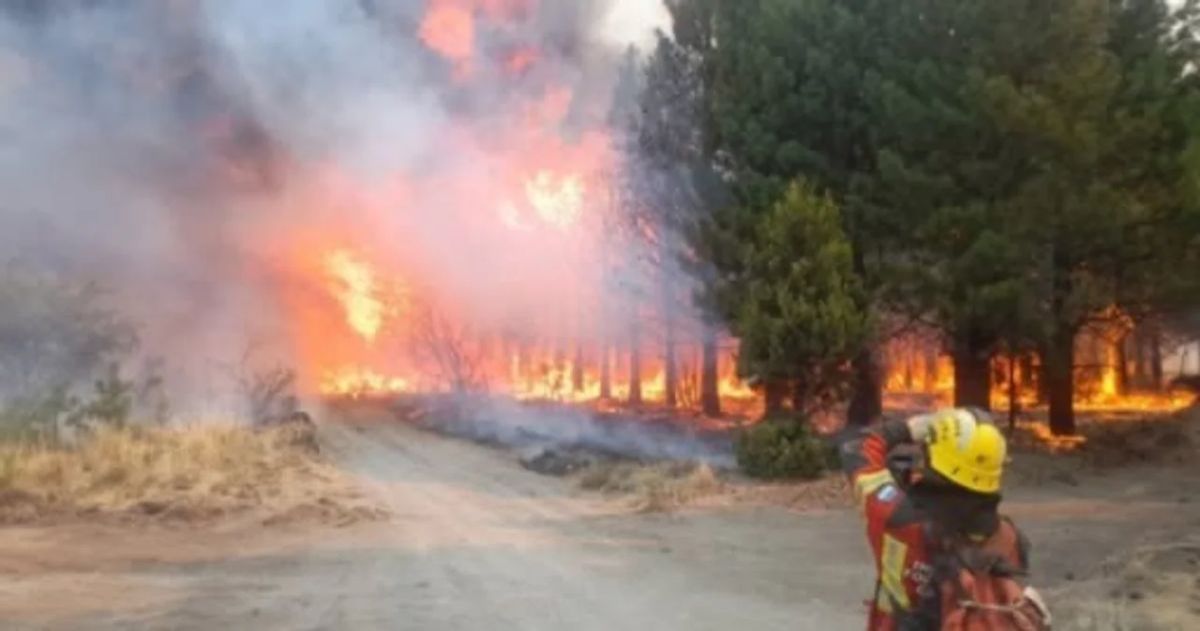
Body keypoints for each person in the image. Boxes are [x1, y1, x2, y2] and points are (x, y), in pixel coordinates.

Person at [840, 408, 1051, 630]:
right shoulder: (1009, 538)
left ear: (934, 460)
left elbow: (855, 448)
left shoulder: (898, 520)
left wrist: (908, 429)